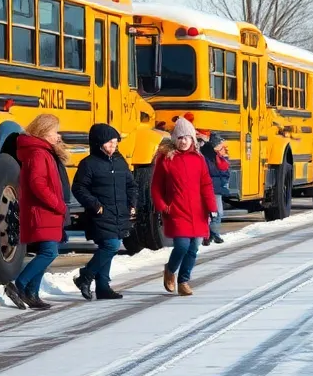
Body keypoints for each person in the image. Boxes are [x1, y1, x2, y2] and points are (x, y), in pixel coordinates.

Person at [8, 114, 68, 310]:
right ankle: (20, 284)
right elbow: (37, 183)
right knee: (49, 252)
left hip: (46, 212)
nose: (57, 136)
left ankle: (32, 292)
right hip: (43, 211)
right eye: (54, 132)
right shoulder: (38, 153)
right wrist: (57, 204)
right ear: (43, 133)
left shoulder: (43, 152)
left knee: (46, 252)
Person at [71, 123, 137, 300]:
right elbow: (78, 188)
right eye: (109, 143)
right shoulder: (88, 164)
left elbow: (131, 185)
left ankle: (102, 287)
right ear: (99, 143)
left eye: (115, 143)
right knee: (111, 246)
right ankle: (85, 276)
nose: (113, 146)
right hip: (100, 213)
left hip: (119, 212)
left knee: (108, 247)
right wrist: (94, 204)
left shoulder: (120, 161)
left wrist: (132, 203)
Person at [152, 117, 216, 296]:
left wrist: (211, 206)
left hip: (198, 211)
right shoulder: (165, 159)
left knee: (194, 247)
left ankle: (184, 281)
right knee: (181, 246)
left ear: (192, 139)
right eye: (179, 138)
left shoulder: (199, 159)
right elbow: (156, 186)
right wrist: (162, 206)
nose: (183, 141)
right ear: (174, 139)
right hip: (177, 210)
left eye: (186, 137)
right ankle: (170, 270)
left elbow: (206, 184)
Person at [199, 131, 230, 246]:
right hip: (210, 188)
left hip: (216, 188)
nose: (224, 148)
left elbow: (225, 171)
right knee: (212, 212)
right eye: (220, 145)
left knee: (216, 212)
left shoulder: (220, 157)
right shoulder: (208, 157)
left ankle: (213, 234)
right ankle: (209, 235)